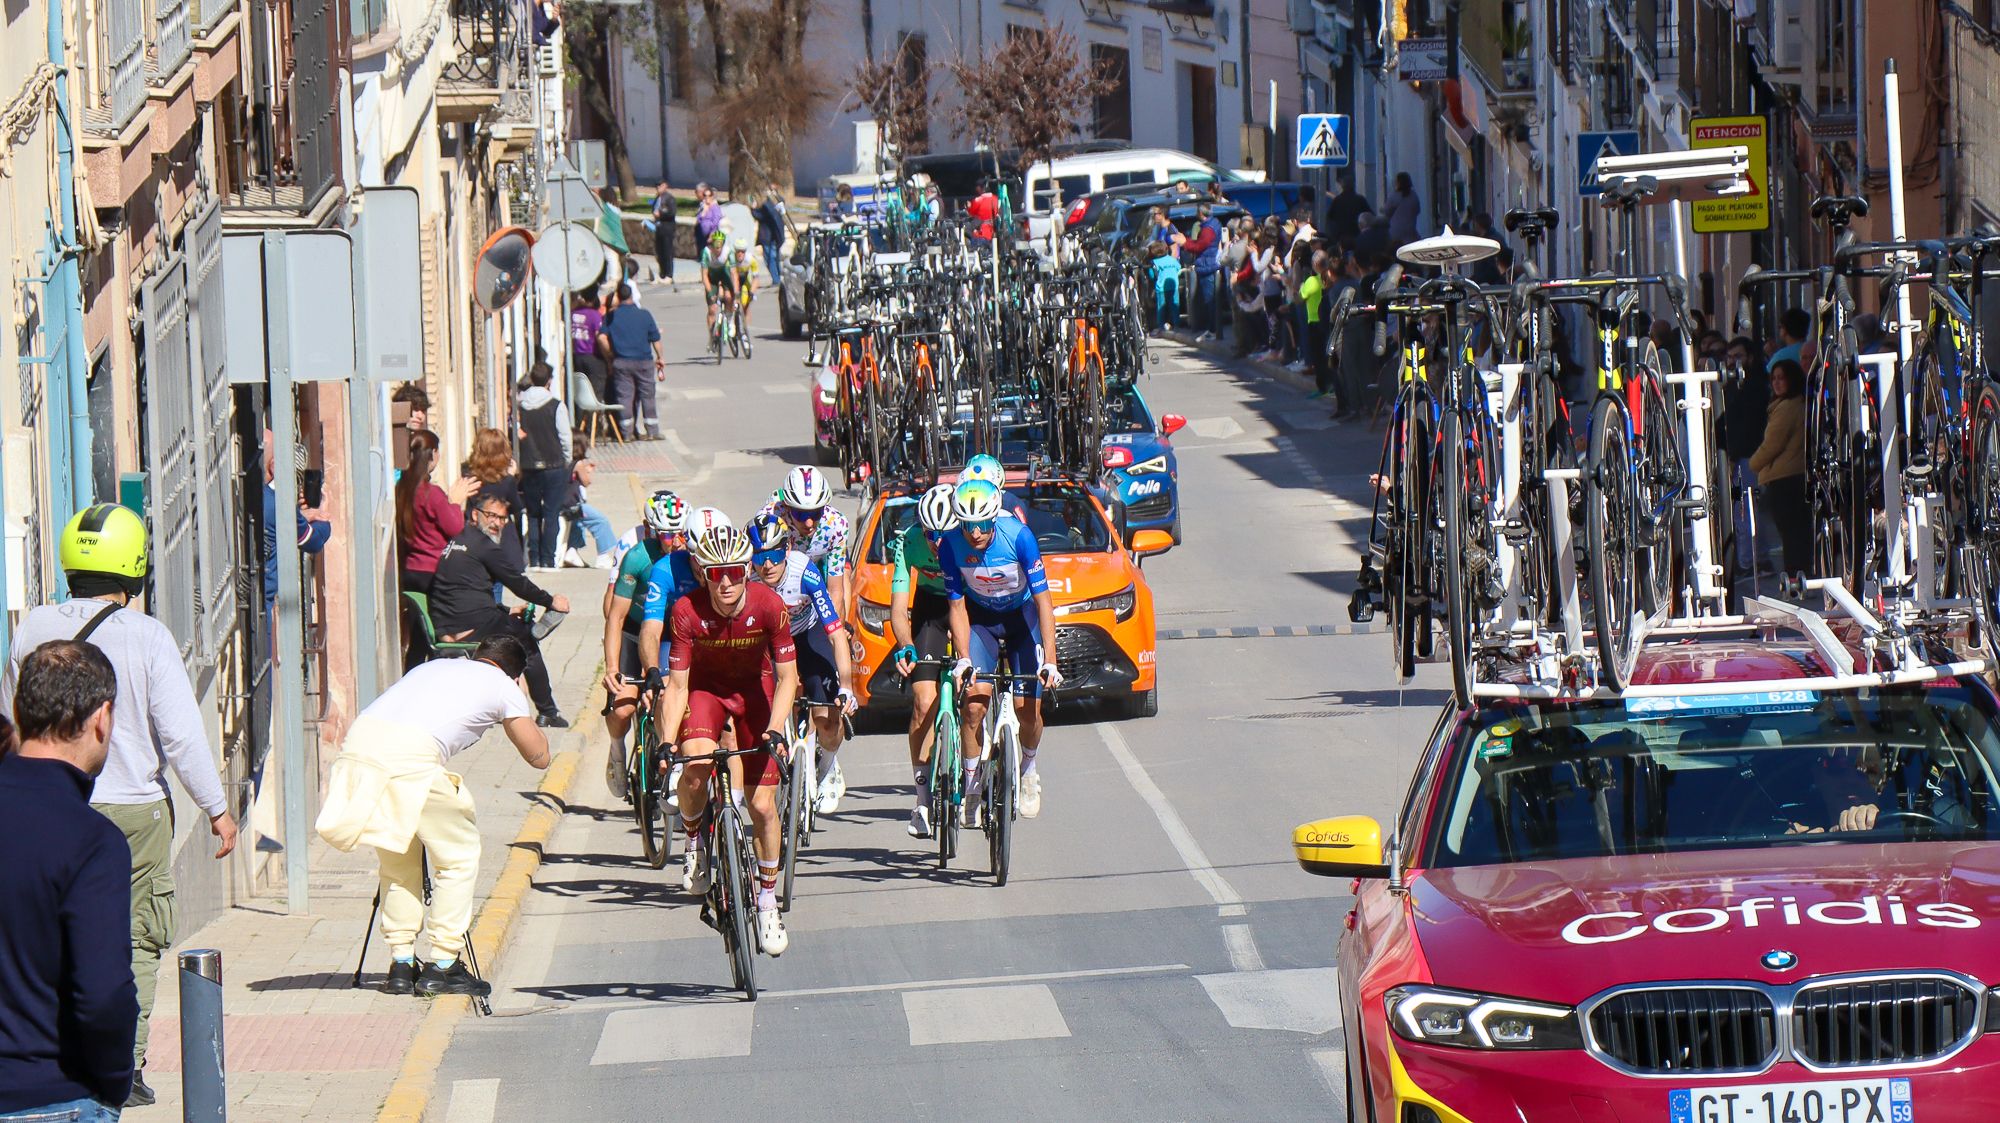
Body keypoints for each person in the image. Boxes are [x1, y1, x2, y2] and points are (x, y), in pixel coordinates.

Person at [0, 505, 238, 1108]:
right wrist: (216, 805)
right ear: (134, 567)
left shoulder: (32, 628)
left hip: (39, 798)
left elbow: (14, 710)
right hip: (133, 809)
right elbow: (181, 732)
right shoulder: (147, 635)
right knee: (133, 941)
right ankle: (124, 1066)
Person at [315, 636, 551, 999]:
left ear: (479, 655)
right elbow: (539, 757)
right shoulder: (505, 686)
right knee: (458, 858)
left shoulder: (435, 665)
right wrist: (520, 700)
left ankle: (401, 963)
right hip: (411, 761)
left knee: (397, 859)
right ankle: (443, 964)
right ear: (514, 672)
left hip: (358, 752)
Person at [647, 522, 800, 957]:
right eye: (717, 573)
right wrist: (665, 741)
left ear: (747, 569)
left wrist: (774, 729)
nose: (727, 581)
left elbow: (788, 678)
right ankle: (694, 839)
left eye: (735, 570)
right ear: (702, 572)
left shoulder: (770, 605)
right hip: (705, 691)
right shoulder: (686, 611)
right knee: (695, 765)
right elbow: (677, 688)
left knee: (763, 806)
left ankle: (768, 901)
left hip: (756, 690)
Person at [0, 642, 134, 1123]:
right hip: (52, 1096)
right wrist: (116, 1081)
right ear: (102, 718)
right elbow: (104, 995)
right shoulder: (93, 841)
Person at [938, 480, 1061, 822]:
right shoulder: (950, 546)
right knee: (974, 705)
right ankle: (973, 782)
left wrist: (1051, 660)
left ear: (995, 517)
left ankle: (1029, 768)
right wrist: (963, 656)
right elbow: (957, 607)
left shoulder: (1019, 536)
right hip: (982, 621)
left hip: (1023, 619)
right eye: (966, 525)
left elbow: (1044, 602)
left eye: (982, 524)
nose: (974, 532)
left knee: (1028, 710)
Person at [428, 493, 572, 727]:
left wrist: (506, 610)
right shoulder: (483, 546)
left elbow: (466, 593)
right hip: (470, 626)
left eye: (503, 519)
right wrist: (550, 601)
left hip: (449, 624)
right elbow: (517, 582)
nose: (497, 523)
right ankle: (548, 712)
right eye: (492, 516)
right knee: (526, 641)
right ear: (476, 514)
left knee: (513, 624)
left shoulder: (458, 540)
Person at [747, 513, 856, 815]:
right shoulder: (746, 576)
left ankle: (828, 764)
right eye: (759, 555)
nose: (766, 564)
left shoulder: (804, 570)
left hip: (807, 633)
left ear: (785, 550)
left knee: (828, 713)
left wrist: (846, 687)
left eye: (772, 555)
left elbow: (835, 634)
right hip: (768, 640)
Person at [600, 491, 692, 800]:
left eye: (681, 532)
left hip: (667, 633)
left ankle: (668, 763)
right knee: (624, 708)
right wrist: (612, 667)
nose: (675, 541)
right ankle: (616, 752)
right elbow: (615, 618)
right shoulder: (637, 558)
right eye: (667, 534)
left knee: (668, 692)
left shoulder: (690, 555)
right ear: (650, 529)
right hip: (633, 630)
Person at [889, 483, 958, 838]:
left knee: (975, 692)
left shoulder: (968, 536)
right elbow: (899, 609)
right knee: (922, 701)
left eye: (945, 534)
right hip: (931, 608)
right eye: (931, 534)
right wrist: (905, 645)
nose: (936, 543)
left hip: (969, 603)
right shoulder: (908, 541)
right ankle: (921, 800)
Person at [759, 466, 853, 620]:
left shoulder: (836, 524)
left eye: (816, 513)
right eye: (800, 514)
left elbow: (836, 590)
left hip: (815, 575)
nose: (809, 523)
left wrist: (835, 632)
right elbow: (759, 580)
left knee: (845, 577)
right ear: (787, 507)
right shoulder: (770, 519)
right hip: (778, 586)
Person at [262, 431, 332, 626]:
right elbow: (313, 540)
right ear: (274, 466)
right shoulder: (278, 505)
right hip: (264, 601)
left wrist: (301, 516)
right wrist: (323, 517)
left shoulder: (262, 498)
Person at [1750, 358, 1809, 579]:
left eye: (1781, 377)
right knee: (1795, 531)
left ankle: (1795, 576)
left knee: (1791, 533)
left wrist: (1753, 465)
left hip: (1785, 477)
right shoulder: (1793, 403)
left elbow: (1772, 444)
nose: (1776, 383)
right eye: (1773, 378)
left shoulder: (1787, 407)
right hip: (1791, 474)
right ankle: (1799, 574)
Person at [396, 430, 475, 594]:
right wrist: (455, 503)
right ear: (433, 454)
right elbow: (455, 529)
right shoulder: (432, 494)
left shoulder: (401, 490)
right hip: (434, 570)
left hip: (409, 569)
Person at [516, 363, 573, 571]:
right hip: (554, 465)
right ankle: (548, 559)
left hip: (529, 465)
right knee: (551, 513)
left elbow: (516, 434)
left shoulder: (520, 405)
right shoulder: (556, 405)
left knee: (533, 513)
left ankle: (534, 558)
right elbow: (565, 437)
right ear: (549, 381)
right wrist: (566, 459)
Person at [600, 283, 664, 440]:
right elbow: (656, 339)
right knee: (647, 396)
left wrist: (610, 354)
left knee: (625, 397)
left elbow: (601, 337)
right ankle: (652, 431)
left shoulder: (610, 317)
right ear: (632, 297)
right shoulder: (645, 314)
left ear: (619, 298)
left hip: (621, 362)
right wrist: (660, 357)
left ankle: (626, 433)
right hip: (644, 362)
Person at [560, 436, 619, 568]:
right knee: (600, 521)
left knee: (577, 524)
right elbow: (586, 481)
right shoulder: (577, 464)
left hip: (561, 503)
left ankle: (572, 550)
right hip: (573, 505)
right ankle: (603, 556)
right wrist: (587, 470)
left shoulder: (561, 461)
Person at [1184, 203, 1223, 341]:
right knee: (1208, 300)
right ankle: (1210, 329)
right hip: (1207, 264)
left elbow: (1200, 246)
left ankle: (1212, 331)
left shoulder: (1208, 230)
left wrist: (1185, 242)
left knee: (1210, 300)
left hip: (1207, 265)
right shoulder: (1213, 224)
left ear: (1201, 214)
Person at [700, 229, 741, 345]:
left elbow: (734, 273)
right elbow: (704, 276)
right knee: (712, 309)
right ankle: (711, 336)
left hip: (724, 275)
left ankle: (729, 321)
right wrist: (710, 293)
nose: (717, 250)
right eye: (715, 247)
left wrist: (736, 290)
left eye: (720, 247)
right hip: (711, 278)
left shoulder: (728, 251)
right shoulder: (706, 252)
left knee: (728, 297)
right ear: (712, 245)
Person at [571, 289, 610, 404]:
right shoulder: (594, 315)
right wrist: (608, 358)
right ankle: (593, 418)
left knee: (580, 390)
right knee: (596, 390)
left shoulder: (573, 313)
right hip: (592, 356)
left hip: (577, 356)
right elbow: (599, 337)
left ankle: (580, 417)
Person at [1324, 171, 1371, 247]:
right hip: (1357, 234)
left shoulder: (1338, 200)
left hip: (1342, 237)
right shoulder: (1359, 199)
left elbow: (1330, 217)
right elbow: (1369, 215)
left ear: (1342, 186)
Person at [754, 184, 787, 281]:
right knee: (773, 257)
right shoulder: (776, 203)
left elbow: (760, 216)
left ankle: (776, 278)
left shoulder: (769, 205)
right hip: (774, 235)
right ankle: (777, 276)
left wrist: (753, 208)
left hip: (769, 236)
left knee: (770, 258)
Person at [1148, 242, 1180, 333]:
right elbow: (1178, 268)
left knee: (1161, 307)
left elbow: (1151, 275)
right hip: (1174, 286)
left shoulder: (1154, 262)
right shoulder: (1172, 260)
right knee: (1174, 306)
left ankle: (1161, 326)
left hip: (1161, 287)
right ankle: (1176, 324)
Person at [650, 184, 677, 287]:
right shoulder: (658, 198)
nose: (657, 188)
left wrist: (660, 214)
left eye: (659, 186)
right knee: (660, 252)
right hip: (659, 228)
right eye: (656, 187)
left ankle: (669, 275)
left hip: (667, 229)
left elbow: (671, 212)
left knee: (667, 252)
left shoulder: (670, 199)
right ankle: (662, 273)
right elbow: (653, 209)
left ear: (665, 186)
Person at [1386, 172, 1421, 244]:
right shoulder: (1413, 196)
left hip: (1395, 230)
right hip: (1410, 230)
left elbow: (1387, 212)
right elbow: (1417, 210)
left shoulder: (1393, 196)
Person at [966, 180, 999, 244]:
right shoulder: (996, 199)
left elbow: (970, 213)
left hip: (981, 233)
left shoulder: (978, 200)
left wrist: (969, 206)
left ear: (979, 188)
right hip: (994, 233)